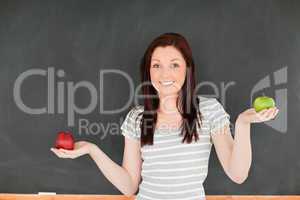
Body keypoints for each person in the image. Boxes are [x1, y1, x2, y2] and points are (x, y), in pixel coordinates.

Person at [51, 33, 279, 200]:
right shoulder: (137, 118)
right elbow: (129, 186)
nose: (165, 74)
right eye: (157, 65)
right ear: (148, 71)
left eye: (174, 65)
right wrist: (92, 150)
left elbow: (237, 174)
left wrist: (243, 124)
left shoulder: (209, 110)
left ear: (187, 70)